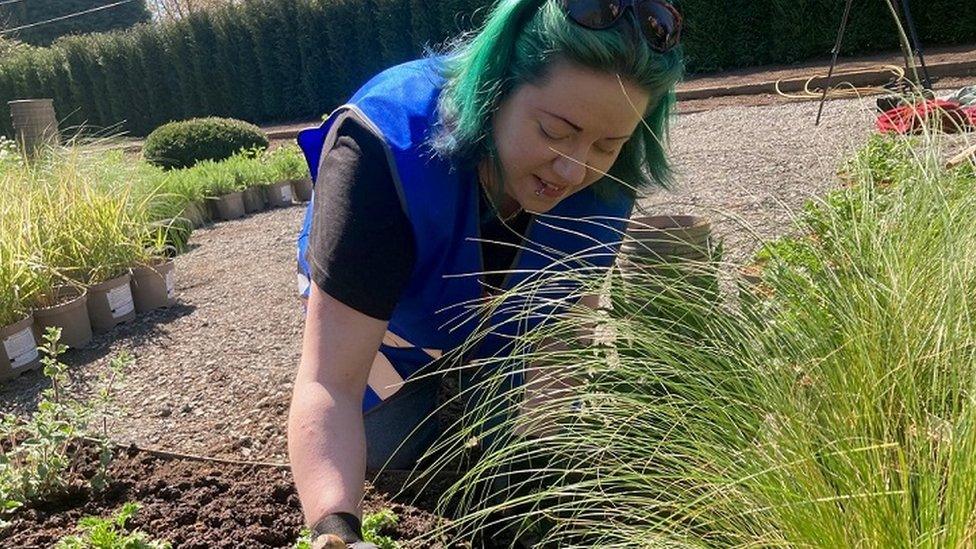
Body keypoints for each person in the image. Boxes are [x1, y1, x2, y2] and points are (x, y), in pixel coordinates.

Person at [287, 0, 683, 546]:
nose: (575, 168)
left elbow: (560, 353)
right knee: (401, 452)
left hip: (497, 326)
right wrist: (336, 530)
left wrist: (537, 481)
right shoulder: (383, 149)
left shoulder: (603, 189)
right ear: (495, 89)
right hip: (394, 318)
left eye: (607, 145)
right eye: (556, 131)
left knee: (499, 457)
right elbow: (330, 379)